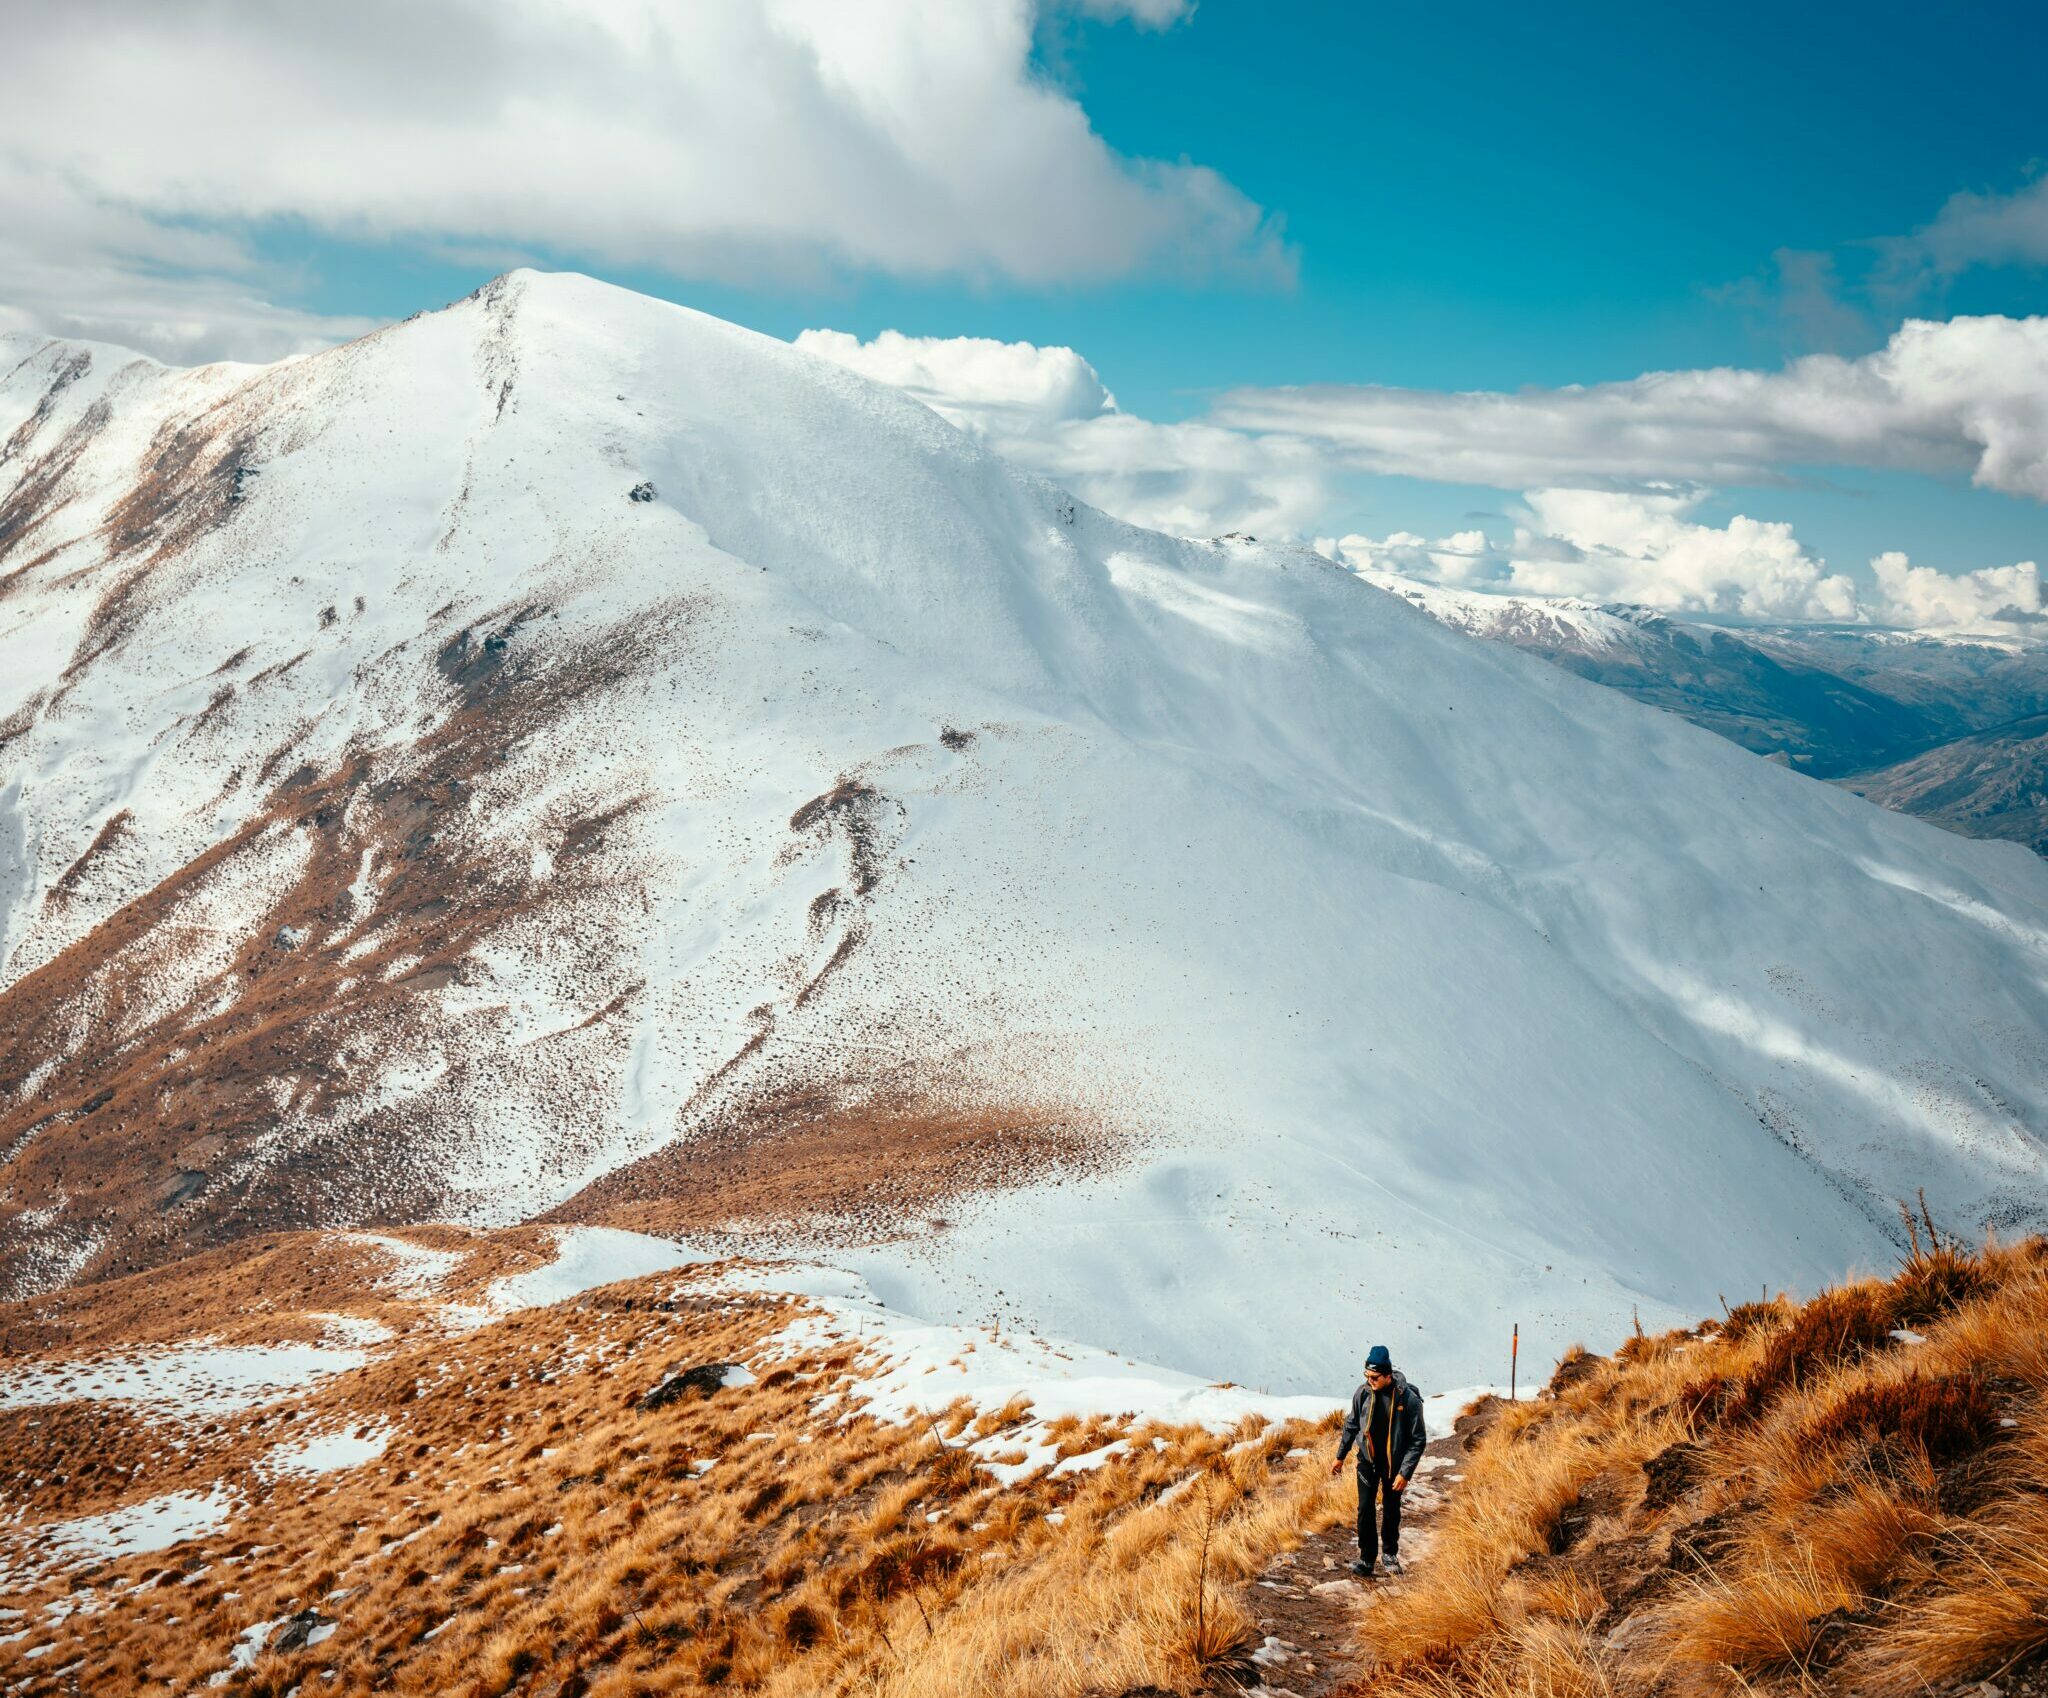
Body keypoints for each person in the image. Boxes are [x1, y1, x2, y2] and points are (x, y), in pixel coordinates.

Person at [1330, 1344, 1425, 1577]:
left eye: (1374, 1377)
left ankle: (1390, 1555)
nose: (1369, 1380)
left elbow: (1418, 1439)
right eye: (1366, 1375)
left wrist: (1406, 1472)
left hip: (1394, 1465)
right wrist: (1339, 1457)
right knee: (1365, 1509)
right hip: (1367, 1461)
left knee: (1392, 1509)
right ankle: (1366, 1559)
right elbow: (1351, 1425)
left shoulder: (1408, 1399)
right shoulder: (1363, 1393)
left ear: (1387, 1375)